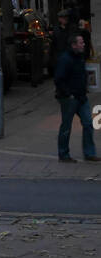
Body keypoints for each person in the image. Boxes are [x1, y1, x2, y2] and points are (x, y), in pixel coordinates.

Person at [54, 34, 98, 164]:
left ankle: (89, 153)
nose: (83, 44)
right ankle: (63, 154)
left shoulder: (80, 57)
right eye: (81, 43)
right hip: (70, 98)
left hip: (81, 97)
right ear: (73, 45)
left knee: (88, 123)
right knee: (66, 126)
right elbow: (58, 79)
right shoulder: (65, 59)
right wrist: (68, 94)